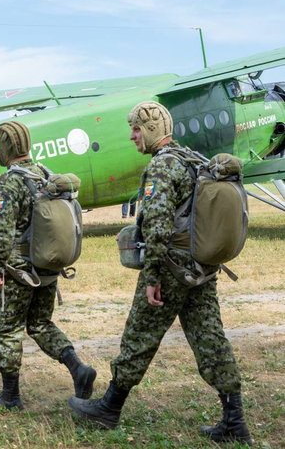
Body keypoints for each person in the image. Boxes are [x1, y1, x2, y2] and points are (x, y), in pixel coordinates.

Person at [68, 101, 252, 446]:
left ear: (152, 128)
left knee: (139, 336)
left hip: (169, 269)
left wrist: (152, 277)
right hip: (200, 268)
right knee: (210, 339)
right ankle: (235, 421)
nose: (132, 135)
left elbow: (156, 226)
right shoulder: (190, 159)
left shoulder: (163, 166)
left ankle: (109, 407)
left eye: (136, 128)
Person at [0, 121, 96, 410]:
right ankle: (77, 368)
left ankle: (10, 395)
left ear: (4, 148)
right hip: (47, 268)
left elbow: (1, 232)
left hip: (17, 271)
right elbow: (11, 183)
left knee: (6, 329)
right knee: (40, 323)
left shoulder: (10, 183)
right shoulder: (44, 174)